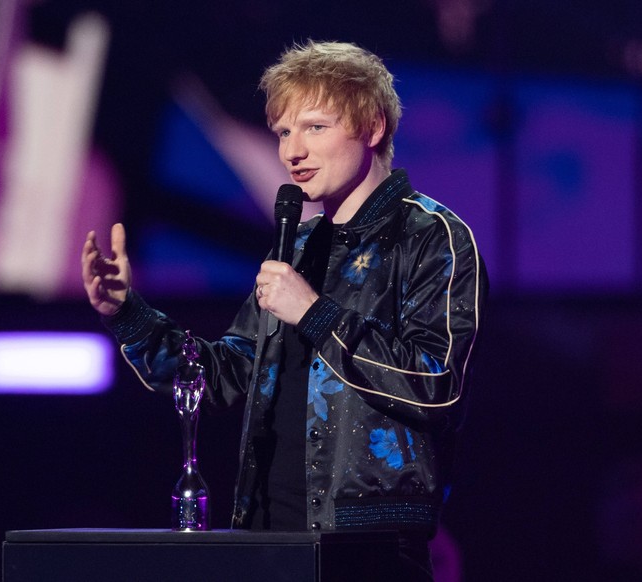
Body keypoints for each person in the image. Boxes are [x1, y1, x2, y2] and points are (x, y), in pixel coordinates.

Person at [82, 40, 487, 581]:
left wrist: (315, 313)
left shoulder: (430, 236)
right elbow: (222, 376)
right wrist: (127, 313)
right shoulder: (293, 249)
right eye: (282, 133)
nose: (292, 151)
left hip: (367, 543)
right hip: (268, 535)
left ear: (371, 128)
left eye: (314, 128)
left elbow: (436, 384)